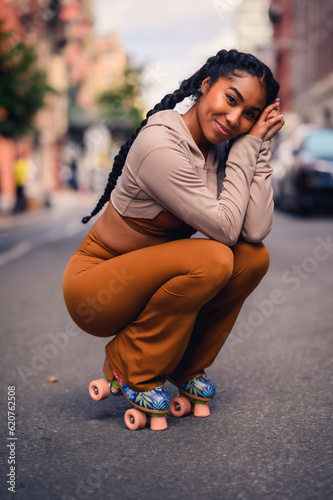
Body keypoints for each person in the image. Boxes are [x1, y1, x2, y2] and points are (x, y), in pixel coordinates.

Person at [63, 49, 284, 428]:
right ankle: (130, 364)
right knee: (214, 258)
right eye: (231, 99)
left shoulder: (219, 150)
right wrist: (246, 149)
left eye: (249, 114)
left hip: (147, 283)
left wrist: (257, 149)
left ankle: (185, 365)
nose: (235, 119)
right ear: (206, 84)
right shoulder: (160, 145)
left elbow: (253, 231)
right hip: (97, 289)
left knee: (253, 257)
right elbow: (226, 228)